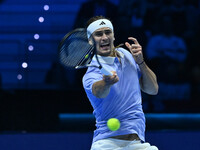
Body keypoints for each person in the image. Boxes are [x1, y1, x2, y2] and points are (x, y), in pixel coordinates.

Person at [82, 16, 159, 150]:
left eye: (108, 32)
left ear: (113, 36)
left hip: (137, 143)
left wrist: (141, 62)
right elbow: (98, 91)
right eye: (98, 34)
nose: (104, 37)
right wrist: (106, 82)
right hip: (107, 143)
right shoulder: (92, 72)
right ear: (90, 40)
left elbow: (153, 89)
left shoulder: (127, 54)